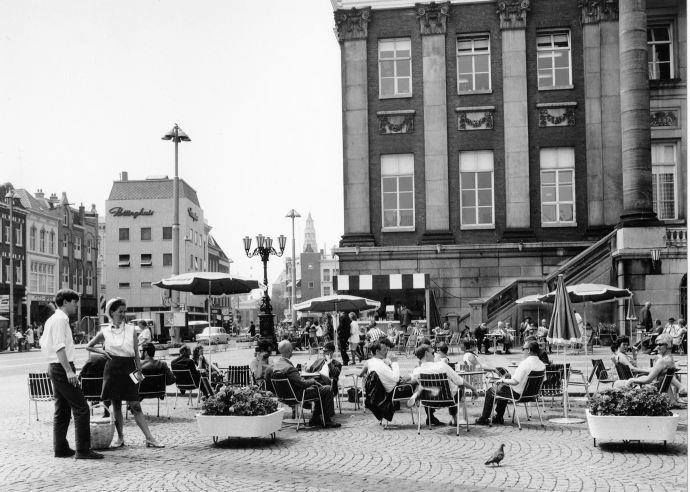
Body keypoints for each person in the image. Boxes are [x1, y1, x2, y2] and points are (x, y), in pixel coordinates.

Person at [86, 298, 163, 448]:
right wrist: (102, 351)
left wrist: (139, 372)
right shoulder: (105, 331)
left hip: (129, 368)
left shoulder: (131, 330)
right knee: (116, 405)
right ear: (112, 312)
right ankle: (120, 438)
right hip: (112, 368)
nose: (123, 314)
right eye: (120, 311)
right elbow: (89, 346)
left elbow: (136, 353)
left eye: (124, 311)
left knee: (135, 404)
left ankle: (150, 438)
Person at [41, 289, 103, 459]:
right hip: (62, 367)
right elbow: (59, 346)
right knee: (81, 408)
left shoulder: (53, 319)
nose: (76, 305)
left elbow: (47, 344)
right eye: (75, 302)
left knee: (62, 409)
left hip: (55, 366)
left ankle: (60, 448)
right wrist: (69, 370)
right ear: (66, 302)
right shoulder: (61, 320)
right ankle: (83, 450)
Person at [266, 340, 341, 428]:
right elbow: (303, 384)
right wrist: (313, 381)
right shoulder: (289, 368)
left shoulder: (276, 366)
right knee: (327, 389)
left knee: (321, 389)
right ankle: (326, 420)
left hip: (283, 396)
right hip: (298, 395)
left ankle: (315, 418)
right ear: (290, 350)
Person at [475, 340, 546, 425]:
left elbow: (515, 382)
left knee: (491, 391)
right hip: (532, 395)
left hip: (518, 394)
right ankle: (498, 417)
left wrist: (502, 380)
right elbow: (543, 380)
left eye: (523, 349)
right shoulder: (542, 365)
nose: (523, 351)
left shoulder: (525, 363)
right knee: (503, 388)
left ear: (529, 350)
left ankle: (484, 418)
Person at [410, 344, 478, 426]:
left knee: (426, 388)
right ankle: (455, 418)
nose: (435, 354)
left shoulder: (417, 371)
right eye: (433, 352)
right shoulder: (442, 366)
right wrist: (473, 389)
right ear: (426, 353)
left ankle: (449, 418)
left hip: (428, 401)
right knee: (458, 387)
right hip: (448, 399)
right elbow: (459, 380)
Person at [626, 334, 686, 407]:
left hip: (655, 391)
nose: (657, 347)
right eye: (657, 344)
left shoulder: (662, 361)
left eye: (660, 345)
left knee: (620, 383)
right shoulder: (670, 359)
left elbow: (648, 380)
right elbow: (655, 371)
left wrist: (632, 380)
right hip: (660, 389)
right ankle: (674, 398)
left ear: (667, 345)